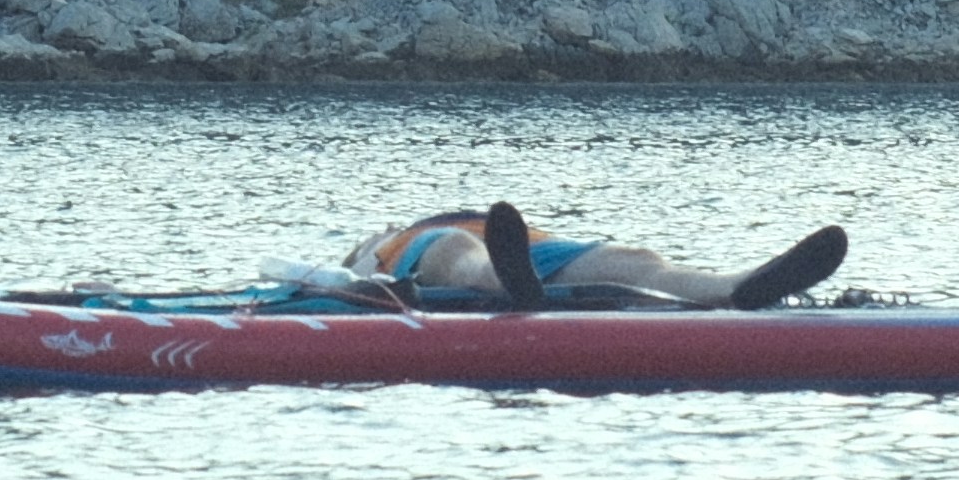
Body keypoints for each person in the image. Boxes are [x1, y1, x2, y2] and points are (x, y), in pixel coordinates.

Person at [342, 201, 845, 312]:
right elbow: (349, 277)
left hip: (533, 247)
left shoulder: (478, 221)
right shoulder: (385, 243)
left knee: (638, 261)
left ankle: (738, 285)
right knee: (461, 255)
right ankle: (508, 282)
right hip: (444, 251)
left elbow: (507, 229)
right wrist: (367, 251)